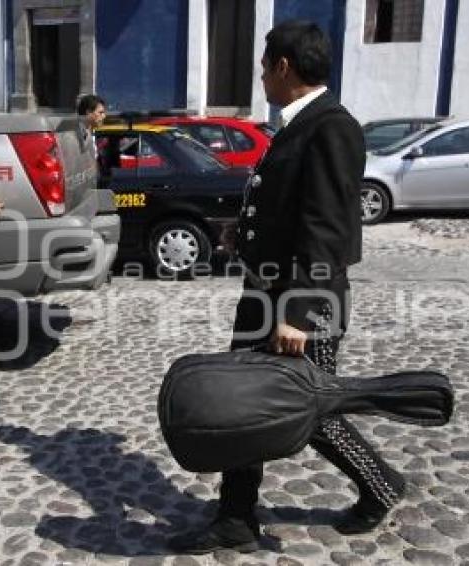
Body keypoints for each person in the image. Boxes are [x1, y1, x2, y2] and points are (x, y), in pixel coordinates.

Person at [169, 21, 405, 554]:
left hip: (304, 301)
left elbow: (327, 227)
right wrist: (245, 235)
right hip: (266, 294)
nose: (260, 77)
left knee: (312, 410)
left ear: (283, 67)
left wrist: (298, 311)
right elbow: (290, 209)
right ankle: (234, 516)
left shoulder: (330, 127)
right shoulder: (299, 124)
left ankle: (381, 483)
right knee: (238, 403)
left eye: (263, 66)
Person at [76, 94, 106, 159]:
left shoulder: (89, 131)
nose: (104, 116)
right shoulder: (76, 135)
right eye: (100, 112)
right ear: (88, 112)